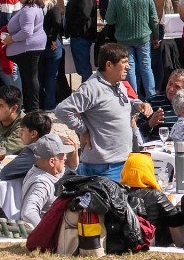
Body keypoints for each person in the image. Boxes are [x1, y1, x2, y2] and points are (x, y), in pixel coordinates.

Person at [55, 43, 152, 180]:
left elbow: (115, 107)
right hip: (104, 168)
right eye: (124, 62)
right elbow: (62, 110)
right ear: (109, 65)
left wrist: (138, 105)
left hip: (122, 162)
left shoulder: (118, 84)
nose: (128, 66)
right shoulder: (91, 88)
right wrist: (83, 130)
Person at [5, 0, 47, 111]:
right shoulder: (34, 7)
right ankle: (31, 107)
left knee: (30, 78)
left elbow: (27, 32)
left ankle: (32, 108)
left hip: (28, 48)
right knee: (29, 77)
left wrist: (11, 39)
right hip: (31, 46)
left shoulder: (29, 10)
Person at [17, 133, 70, 228]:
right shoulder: (41, 184)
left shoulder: (44, 171)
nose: (65, 157)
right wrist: (44, 232)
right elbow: (28, 213)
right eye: (62, 155)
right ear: (52, 161)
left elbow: (67, 171)